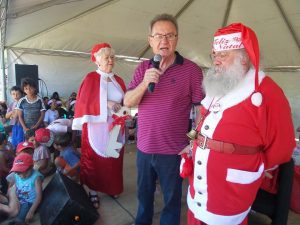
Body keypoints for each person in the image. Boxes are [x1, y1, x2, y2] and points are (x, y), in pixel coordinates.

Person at [179, 23, 295, 225]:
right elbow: (201, 123)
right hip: (197, 184)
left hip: (230, 191)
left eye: (223, 55)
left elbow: (282, 148)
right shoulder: (220, 84)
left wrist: (251, 164)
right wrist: (191, 142)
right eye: (214, 54)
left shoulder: (268, 93)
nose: (216, 60)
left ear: (245, 57)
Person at [124, 13, 204, 225]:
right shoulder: (143, 68)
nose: (164, 41)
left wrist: (191, 141)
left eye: (169, 35)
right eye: (158, 36)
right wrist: (144, 83)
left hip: (174, 151)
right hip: (144, 148)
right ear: (150, 40)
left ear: (177, 39)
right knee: (144, 199)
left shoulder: (192, 71)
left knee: (171, 202)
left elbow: (200, 113)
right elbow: (128, 102)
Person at [72, 43, 127, 208]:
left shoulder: (118, 80)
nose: (110, 60)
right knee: (95, 160)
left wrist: (124, 110)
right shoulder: (90, 78)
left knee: (113, 158)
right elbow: (84, 102)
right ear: (97, 61)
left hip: (116, 125)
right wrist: (107, 103)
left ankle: (112, 187)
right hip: (97, 126)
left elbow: (125, 101)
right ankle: (93, 191)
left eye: (112, 57)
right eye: (107, 57)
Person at [9, 153, 43, 223]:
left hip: (29, 202)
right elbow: (15, 185)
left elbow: (39, 196)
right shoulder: (17, 175)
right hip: (19, 199)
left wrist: (31, 211)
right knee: (11, 214)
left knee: (19, 220)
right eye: (17, 172)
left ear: (31, 167)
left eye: (22, 171)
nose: (20, 175)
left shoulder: (36, 178)